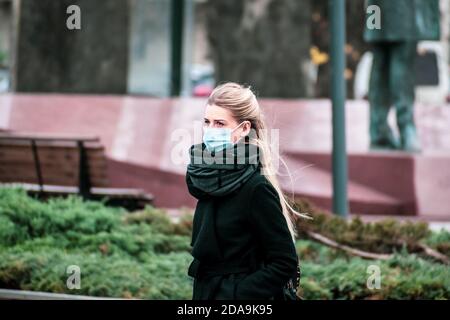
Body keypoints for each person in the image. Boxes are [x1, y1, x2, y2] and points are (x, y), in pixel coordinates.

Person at [185, 82, 302, 300]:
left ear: (245, 128)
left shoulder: (256, 189)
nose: (210, 130)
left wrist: (237, 294)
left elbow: (284, 262)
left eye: (220, 123)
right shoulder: (205, 181)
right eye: (207, 122)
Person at [364, 0, 440, 152]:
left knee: (383, 62)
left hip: (378, 8)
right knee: (397, 63)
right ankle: (404, 130)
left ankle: (381, 130)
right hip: (395, 10)